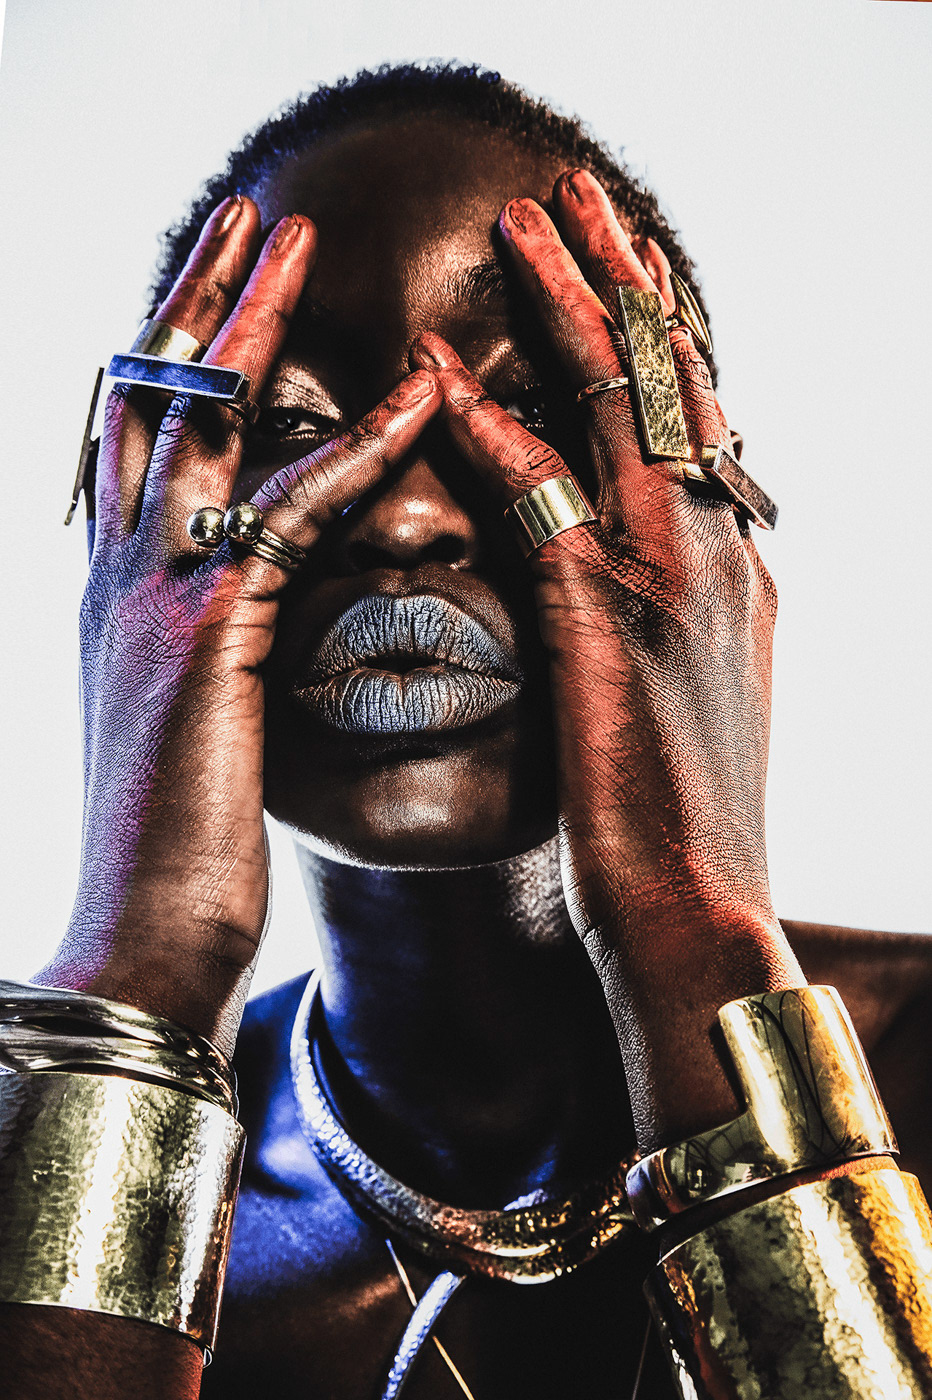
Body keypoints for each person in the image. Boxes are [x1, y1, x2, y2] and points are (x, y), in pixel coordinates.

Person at [2, 62, 932, 1400]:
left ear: (710, 543)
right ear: (137, 543)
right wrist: (145, 952)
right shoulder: (39, 1165)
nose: (405, 515)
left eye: (537, 413)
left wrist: (696, 923)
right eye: (289, 422)